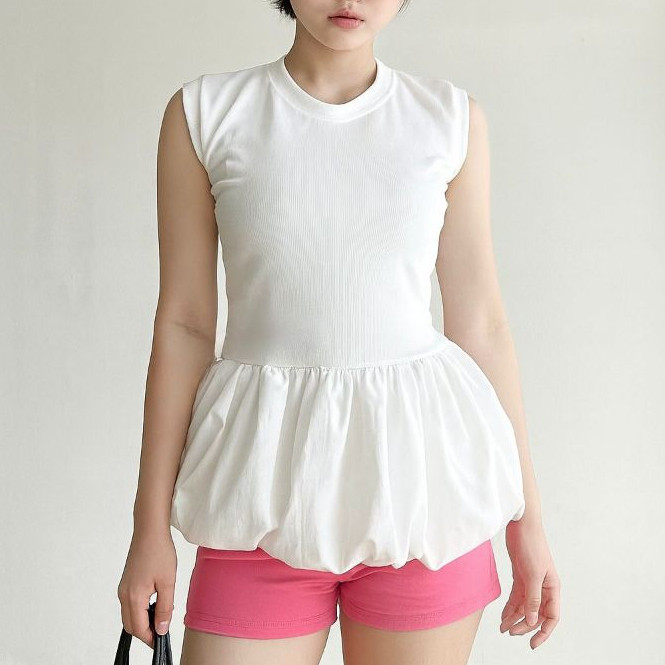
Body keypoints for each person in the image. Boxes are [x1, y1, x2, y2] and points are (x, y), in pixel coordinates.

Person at [117, 0, 561, 662]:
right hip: (258, 501)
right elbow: (183, 325)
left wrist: (529, 522)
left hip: (423, 502)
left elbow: (481, 326)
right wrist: (148, 528)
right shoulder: (206, 114)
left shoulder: (448, 119)